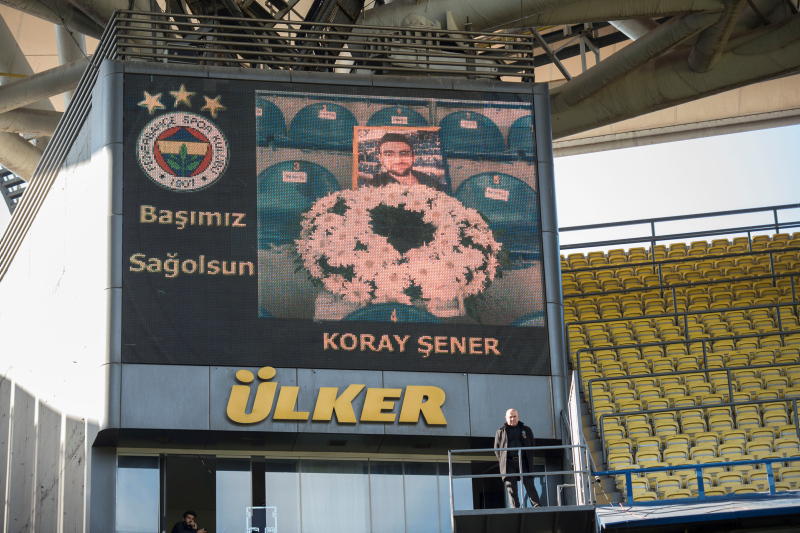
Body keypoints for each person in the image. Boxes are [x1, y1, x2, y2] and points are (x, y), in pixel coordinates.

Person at [494, 408, 541, 508]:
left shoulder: (526, 430)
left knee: (529, 485)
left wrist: (527, 457)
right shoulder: (500, 432)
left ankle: (537, 506)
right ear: (506, 418)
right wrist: (503, 460)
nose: (512, 419)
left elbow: (532, 445)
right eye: (510, 417)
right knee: (511, 488)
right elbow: (496, 449)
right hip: (509, 463)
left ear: (518, 417)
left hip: (524, 462)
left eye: (514, 416)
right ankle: (515, 509)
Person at [368, 133, 444, 191]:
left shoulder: (429, 181)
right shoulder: (373, 187)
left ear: (413, 157)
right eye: (389, 155)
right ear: (380, 159)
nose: (398, 160)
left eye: (404, 154)